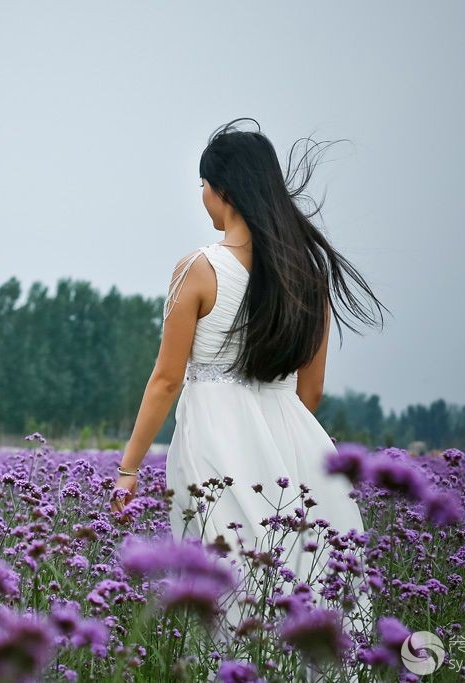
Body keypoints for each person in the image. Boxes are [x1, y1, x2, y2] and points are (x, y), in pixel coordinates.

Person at [111, 118, 389, 647]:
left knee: (225, 598)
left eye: (203, 186)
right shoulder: (306, 271)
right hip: (299, 449)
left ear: (225, 192)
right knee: (308, 591)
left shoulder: (199, 267)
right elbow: (311, 391)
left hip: (216, 444)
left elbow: (166, 381)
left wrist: (128, 469)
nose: (202, 197)